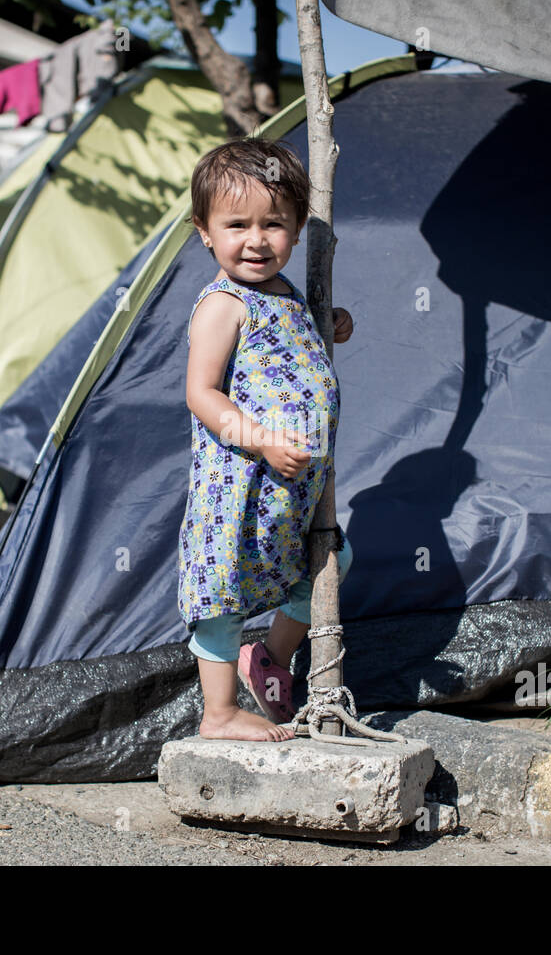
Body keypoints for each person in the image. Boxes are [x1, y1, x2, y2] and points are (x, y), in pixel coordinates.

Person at [178, 139, 356, 742]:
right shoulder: (223, 305)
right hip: (242, 486)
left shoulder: (285, 295)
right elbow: (202, 394)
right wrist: (260, 441)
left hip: (294, 490)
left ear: (298, 228)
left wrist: (327, 322)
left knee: (334, 561)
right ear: (204, 231)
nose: (256, 239)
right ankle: (219, 713)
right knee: (225, 593)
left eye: (274, 224)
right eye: (236, 225)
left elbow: (290, 352)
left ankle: (272, 658)